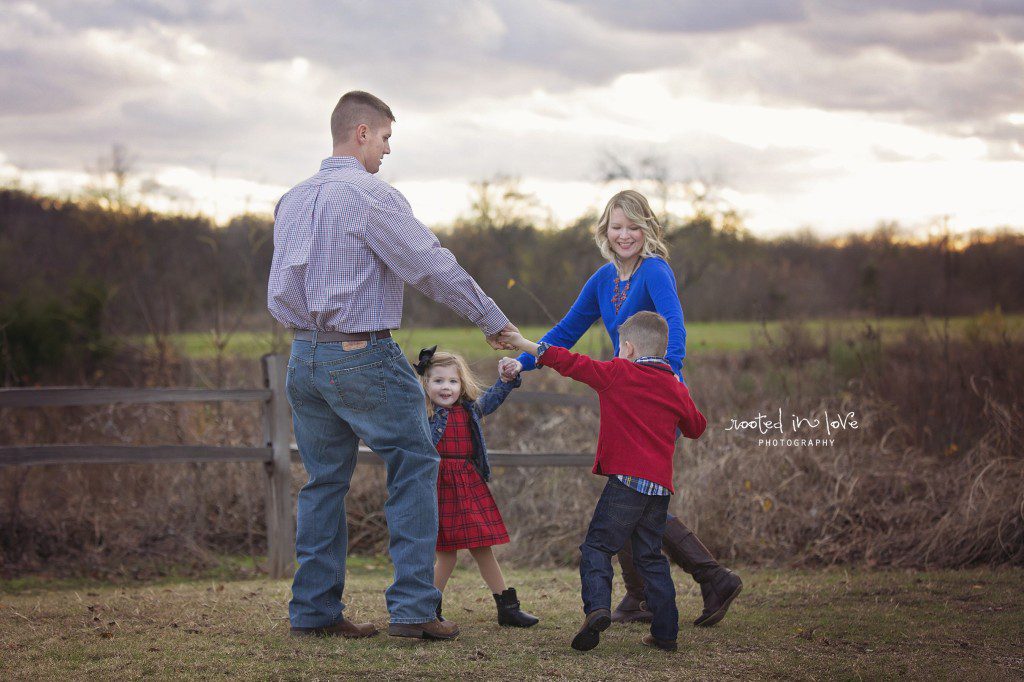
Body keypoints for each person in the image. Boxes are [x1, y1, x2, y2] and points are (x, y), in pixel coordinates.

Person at [268, 90, 517, 641]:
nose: (385, 151)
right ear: (361, 133)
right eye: (384, 139)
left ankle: (313, 611)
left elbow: (283, 285)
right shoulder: (370, 196)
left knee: (324, 481)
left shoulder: (291, 200)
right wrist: (490, 319)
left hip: (304, 356)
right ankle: (412, 608)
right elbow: (429, 265)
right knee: (414, 461)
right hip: (360, 351)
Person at [509, 189, 742, 627]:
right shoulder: (602, 280)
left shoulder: (655, 270)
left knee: (631, 497)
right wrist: (521, 364)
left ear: (647, 228)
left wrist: (670, 375)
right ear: (605, 230)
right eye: (617, 226)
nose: (625, 235)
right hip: (624, 400)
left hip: (655, 399)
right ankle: (653, 595)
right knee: (633, 496)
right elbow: (565, 331)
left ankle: (704, 579)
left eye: (634, 226)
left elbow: (674, 322)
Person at [501, 312, 707, 652]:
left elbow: (570, 362)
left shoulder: (618, 372)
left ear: (626, 347)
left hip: (626, 483)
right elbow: (697, 427)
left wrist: (524, 344)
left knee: (597, 547)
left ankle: (597, 609)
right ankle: (666, 633)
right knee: (651, 558)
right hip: (659, 488)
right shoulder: (674, 385)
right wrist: (678, 395)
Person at [414, 347, 539, 628]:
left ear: (462, 384)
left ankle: (507, 608)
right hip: (440, 485)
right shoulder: (423, 415)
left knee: (484, 546)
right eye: (438, 381)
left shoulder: (468, 409)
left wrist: (507, 381)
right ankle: (426, 609)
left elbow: (492, 399)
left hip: (469, 483)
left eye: (452, 381)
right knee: (447, 554)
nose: (446, 387)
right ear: (425, 384)